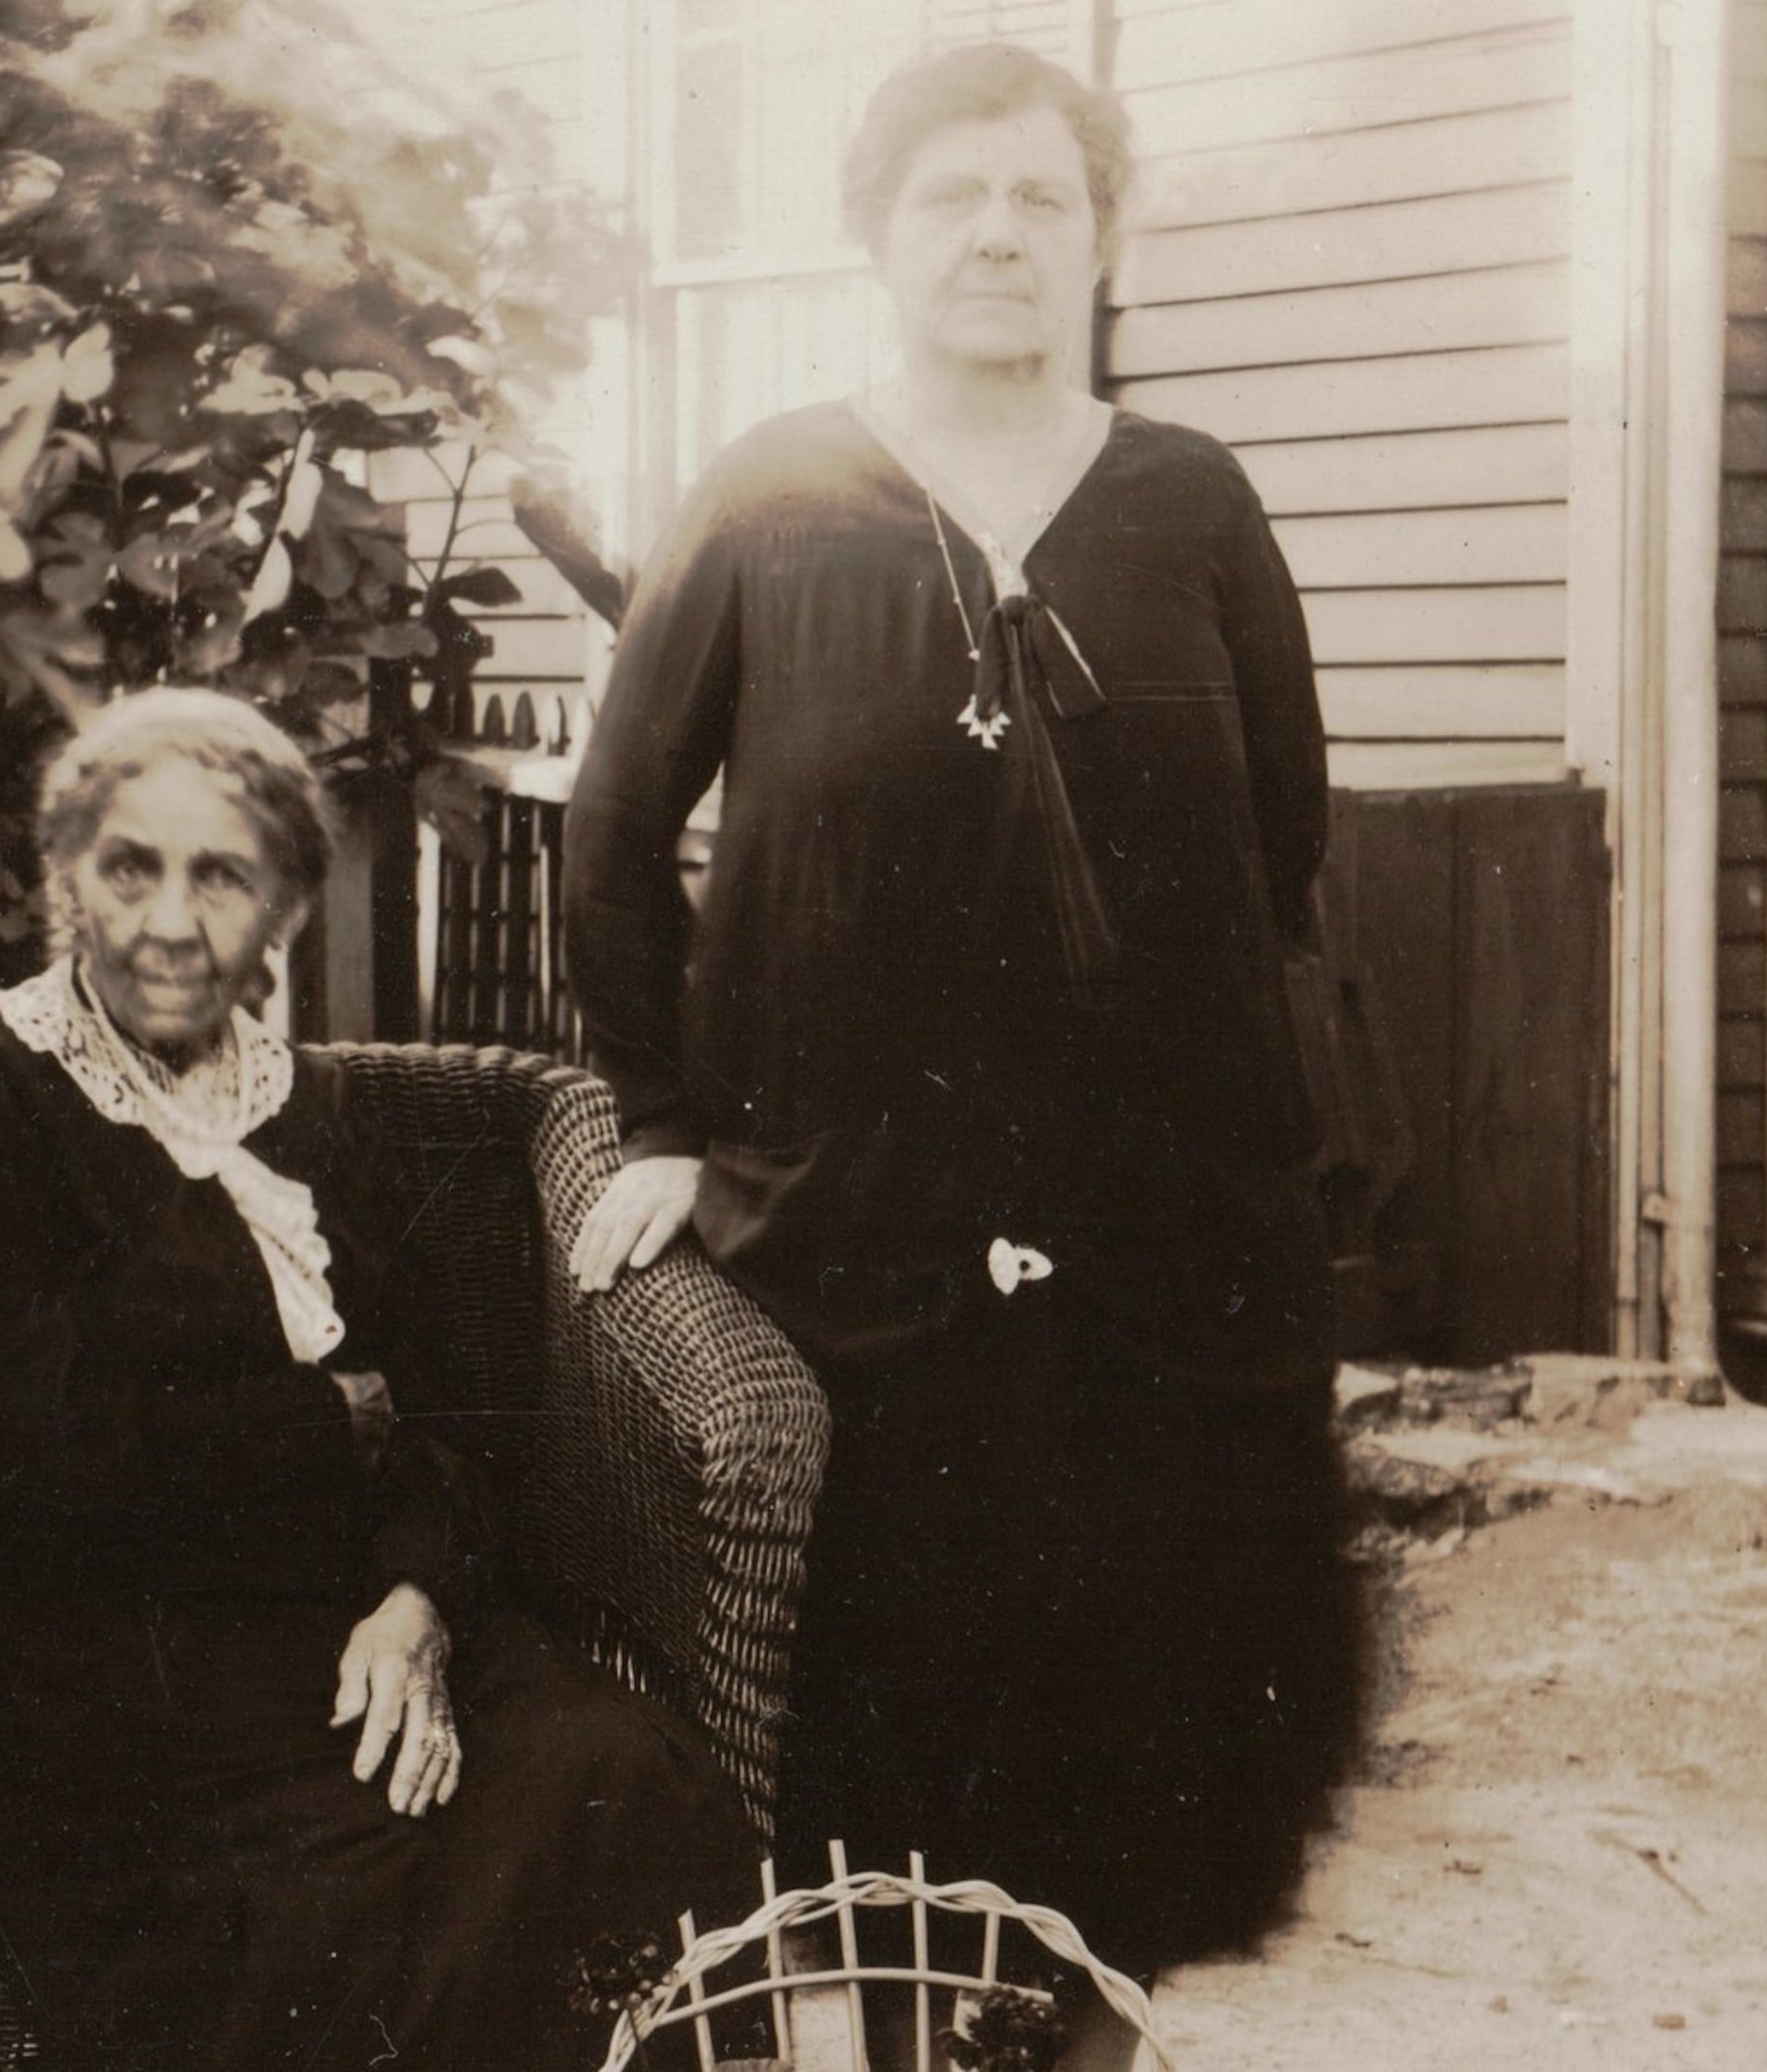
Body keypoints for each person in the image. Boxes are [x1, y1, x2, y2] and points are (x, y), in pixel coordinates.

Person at [559, 44, 1368, 2069]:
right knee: (876, 1713)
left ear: (1101, 243)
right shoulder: (770, 493)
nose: (1001, 234)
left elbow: (1283, 841)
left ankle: (1085, 2044)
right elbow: (610, 828)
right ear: (879, 237)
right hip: (857, 1234)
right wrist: (659, 1120)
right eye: (955, 198)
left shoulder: (1187, 499)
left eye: (1043, 200)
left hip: (1155, 1248)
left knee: (1140, 1716)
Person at [0, 690, 758, 2072]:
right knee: (354, 1894)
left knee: (620, 1770)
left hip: (356, 1626)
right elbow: (44, 1454)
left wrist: (416, 1601)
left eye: (221, 877)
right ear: (67, 880)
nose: (166, 920)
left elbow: (453, 1414)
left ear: (283, 912)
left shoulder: (323, 1112)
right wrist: (336, 1416)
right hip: (122, 1685)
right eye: (128, 867)